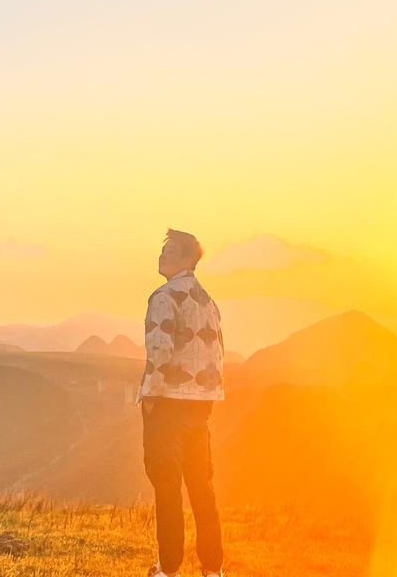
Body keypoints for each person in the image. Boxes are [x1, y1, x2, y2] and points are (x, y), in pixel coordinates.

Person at [138, 228, 225, 577]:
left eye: (171, 251)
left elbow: (158, 350)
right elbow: (215, 352)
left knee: (167, 486)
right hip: (201, 405)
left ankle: (169, 567)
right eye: (162, 250)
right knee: (202, 487)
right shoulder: (208, 301)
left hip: (169, 404)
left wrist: (150, 395)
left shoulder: (163, 297)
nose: (163, 256)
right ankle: (213, 567)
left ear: (189, 258)